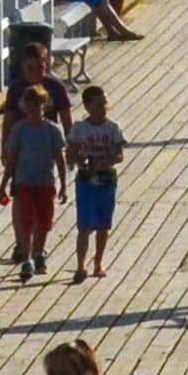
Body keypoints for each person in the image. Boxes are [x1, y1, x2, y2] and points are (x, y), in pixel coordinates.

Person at [0, 83, 66, 279]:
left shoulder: (53, 130)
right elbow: (11, 160)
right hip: (23, 182)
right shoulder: (19, 130)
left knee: (44, 222)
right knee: (25, 222)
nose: (34, 109)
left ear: (45, 105)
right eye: (30, 105)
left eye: (38, 104)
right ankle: (26, 258)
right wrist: (3, 186)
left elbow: (59, 158)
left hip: (45, 181)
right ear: (24, 107)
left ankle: (39, 253)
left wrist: (63, 185)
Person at [65, 84, 127, 283]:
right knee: (84, 225)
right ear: (88, 107)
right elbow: (71, 153)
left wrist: (106, 161)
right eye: (99, 104)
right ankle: (80, 265)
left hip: (107, 180)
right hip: (85, 181)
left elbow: (120, 155)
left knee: (103, 224)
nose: (104, 108)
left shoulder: (113, 128)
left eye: (105, 104)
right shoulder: (79, 129)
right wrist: (80, 161)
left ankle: (98, 262)